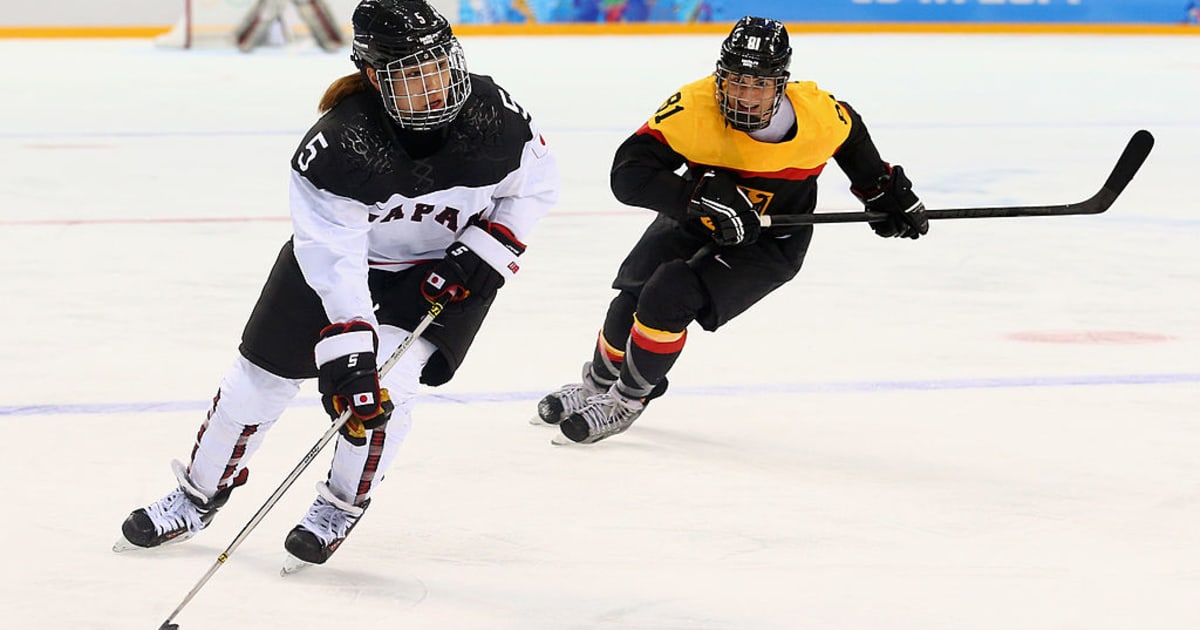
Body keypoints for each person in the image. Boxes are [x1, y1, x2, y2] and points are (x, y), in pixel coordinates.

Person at [115, 0, 558, 569]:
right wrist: (351, 349)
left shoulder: (495, 114)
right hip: (345, 267)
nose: (438, 88)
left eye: (442, 67)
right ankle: (198, 495)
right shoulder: (339, 146)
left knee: (385, 395)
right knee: (256, 383)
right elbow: (334, 258)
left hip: (445, 268)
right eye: (415, 77)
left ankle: (339, 506)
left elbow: (536, 184)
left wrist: (483, 252)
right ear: (376, 78)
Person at [534, 16, 927, 445]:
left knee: (669, 293)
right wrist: (697, 198)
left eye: (757, 84)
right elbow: (629, 175)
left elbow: (851, 138)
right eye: (735, 81)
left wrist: (881, 190)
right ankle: (596, 387)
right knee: (630, 297)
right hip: (698, 217)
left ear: (780, 84)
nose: (742, 95)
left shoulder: (819, 116)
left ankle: (627, 400)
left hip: (769, 242)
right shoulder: (694, 106)